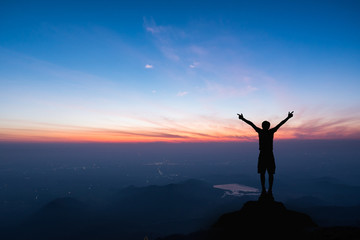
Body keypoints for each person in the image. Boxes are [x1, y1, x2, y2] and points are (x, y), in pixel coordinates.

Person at [237, 111, 294, 199]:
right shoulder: (270, 131)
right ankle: (268, 190)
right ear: (268, 126)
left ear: (263, 126)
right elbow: (280, 124)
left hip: (263, 154)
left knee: (264, 173)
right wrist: (288, 117)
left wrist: (242, 119)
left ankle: (265, 190)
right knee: (269, 173)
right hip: (268, 154)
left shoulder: (261, 131)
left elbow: (251, 124)